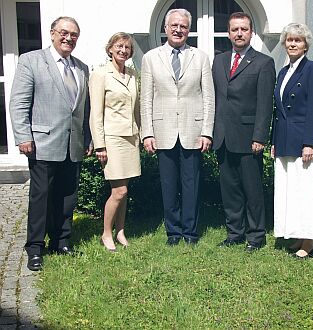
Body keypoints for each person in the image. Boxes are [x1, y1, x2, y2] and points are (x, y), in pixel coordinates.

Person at [9, 16, 92, 271]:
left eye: (74, 34)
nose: (69, 38)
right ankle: (35, 247)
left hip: (72, 143)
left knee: (67, 196)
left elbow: (84, 109)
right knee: (41, 198)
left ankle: (61, 240)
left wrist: (87, 138)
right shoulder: (31, 61)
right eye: (64, 33)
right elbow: (19, 102)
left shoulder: (81, 67)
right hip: (42, 143)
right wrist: (23, 136)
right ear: (53, 33)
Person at [140, 8, 215, 246]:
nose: (178, 30)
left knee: (191, 184)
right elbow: (146, 99)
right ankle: (173, 230)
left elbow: (208, 97)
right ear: (165, 28)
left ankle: (190, 231)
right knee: (169, 184)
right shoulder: (151, 57)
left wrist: (206, 131)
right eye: (174, 26)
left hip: (193, 131)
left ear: (188, 30)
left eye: (183, 26)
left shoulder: (200, 57)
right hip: (163, 131)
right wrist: (147, 133)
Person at [212, 12, 276, 252]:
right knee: (229, 191)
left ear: (251, 32)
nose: (239, 33)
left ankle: (256, 235)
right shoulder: (219, 61)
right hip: (224, 137)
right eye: (234, 29)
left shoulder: (263, 62)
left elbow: (264, 103)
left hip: (249, 138)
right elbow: (216, 99)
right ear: (228, 33)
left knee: (252, 190)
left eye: (244, 29)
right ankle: (234, 233)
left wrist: (260, 136)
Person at [271, 23, 313, 258]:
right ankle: (295, 234)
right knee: (288, 190)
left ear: (306, 45)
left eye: (298, 41)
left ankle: (309, 241)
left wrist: (310, 142)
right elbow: (278, 111)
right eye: (289, 40)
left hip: (303, 142)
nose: (292, 44)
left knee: (305, 191)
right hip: (283, 140)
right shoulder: (283, 72)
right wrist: (274, 140)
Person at [89, 32, 140, 252]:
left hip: (131, 138)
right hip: (112, 139)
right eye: (119, 46)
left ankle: (120, 231)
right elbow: (95, 113)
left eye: (127, 48)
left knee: (125, 190)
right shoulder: (100, 74)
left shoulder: (132, 74)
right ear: (110, 48)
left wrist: (143, 133)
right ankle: (106, 233)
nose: (123, 50)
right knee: (118, 191)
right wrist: (99, 144)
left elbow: (136, 109)